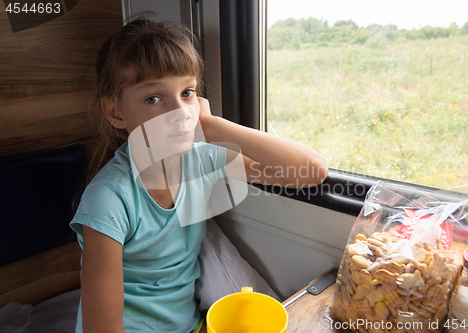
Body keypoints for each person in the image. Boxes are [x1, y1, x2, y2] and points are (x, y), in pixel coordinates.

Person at [70, 17, 328, 333]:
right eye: (153, 98)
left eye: (188, 92)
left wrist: (213, 126)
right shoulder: (108, 199)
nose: (179, 113)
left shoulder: (200, 159)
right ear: (116, 113)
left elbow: (311, 171)